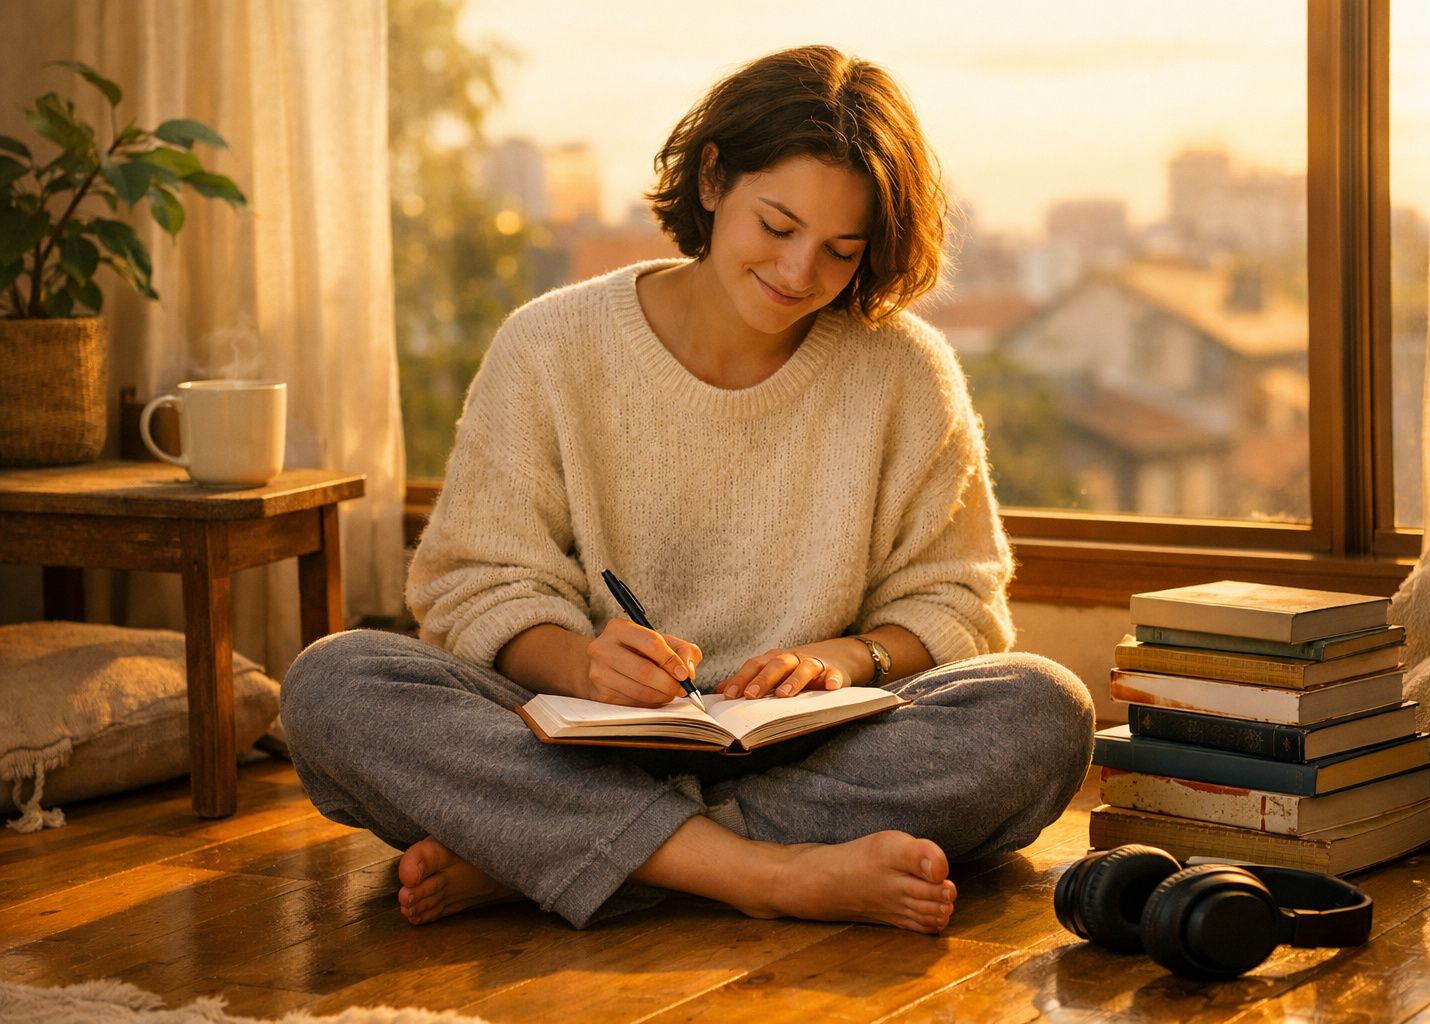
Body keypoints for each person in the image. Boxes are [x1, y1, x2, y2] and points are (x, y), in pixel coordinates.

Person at [281, 44, 1094, 935]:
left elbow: (960, 602)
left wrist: (842, 661)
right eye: (776, 227)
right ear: (712, 179)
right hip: (575, 743)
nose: (799, 274)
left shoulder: (903, 371)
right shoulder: (550, 345)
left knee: (1043, 709)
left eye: (840, 250)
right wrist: (585, 662)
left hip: (810, 751)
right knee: (337, 682)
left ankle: (555, 857)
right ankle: (760, 872)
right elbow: (473, 585)